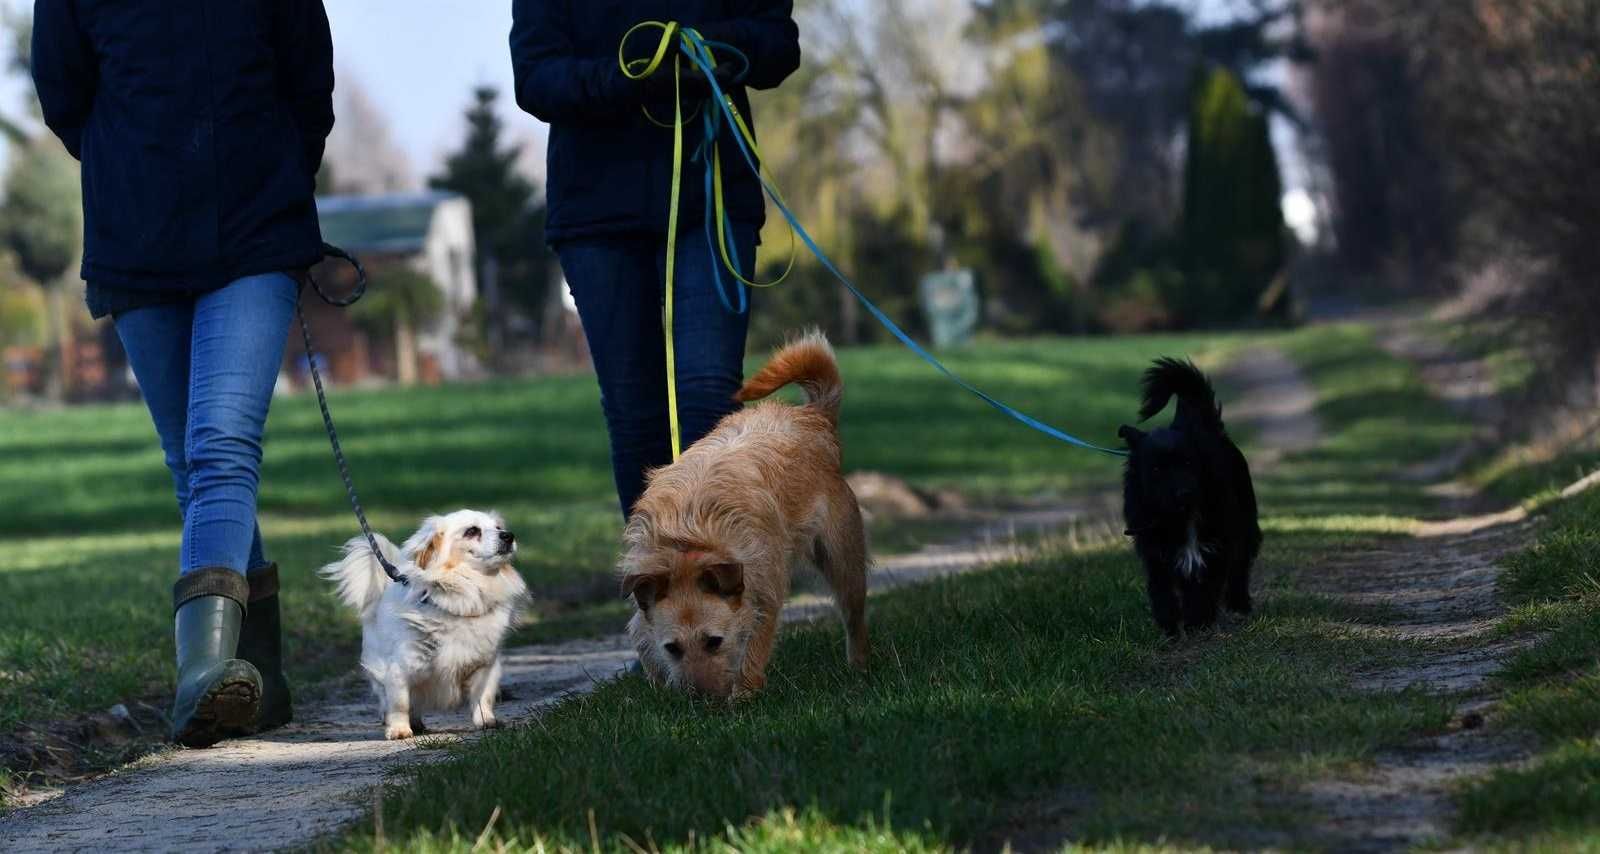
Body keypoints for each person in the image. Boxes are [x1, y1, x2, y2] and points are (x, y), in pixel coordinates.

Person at [32, 0, 335, 748]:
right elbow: (64, 99)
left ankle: (203, 675)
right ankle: (257, 678)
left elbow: (310, 89)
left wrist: (265, 176)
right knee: (193, 463)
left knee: (221, 447)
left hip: (256, 234)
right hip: (136, 241)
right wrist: (137, 167)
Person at [511, 1, 801, 517]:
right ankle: (657, 585)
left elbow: (777, 43)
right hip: (596, 212)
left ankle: (721, 577)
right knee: (635, 415)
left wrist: (713, 50)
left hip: (711, 195)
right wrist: (628, 74)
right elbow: (535, 77)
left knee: (709, 398)